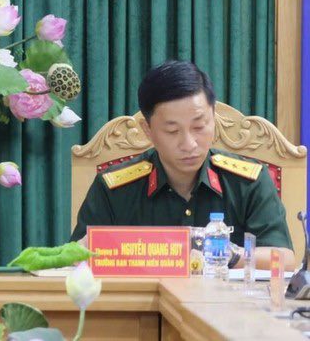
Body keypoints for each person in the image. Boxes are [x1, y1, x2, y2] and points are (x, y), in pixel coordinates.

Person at [71, 60, 295, 270]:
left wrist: (229, 254)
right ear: (147, 130)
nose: (189, 144)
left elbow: (284, 260)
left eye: (199, 127)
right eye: (172, 131)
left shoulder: (249, 182)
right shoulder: (114, 189)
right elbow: (76, 260)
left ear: (214, 118)